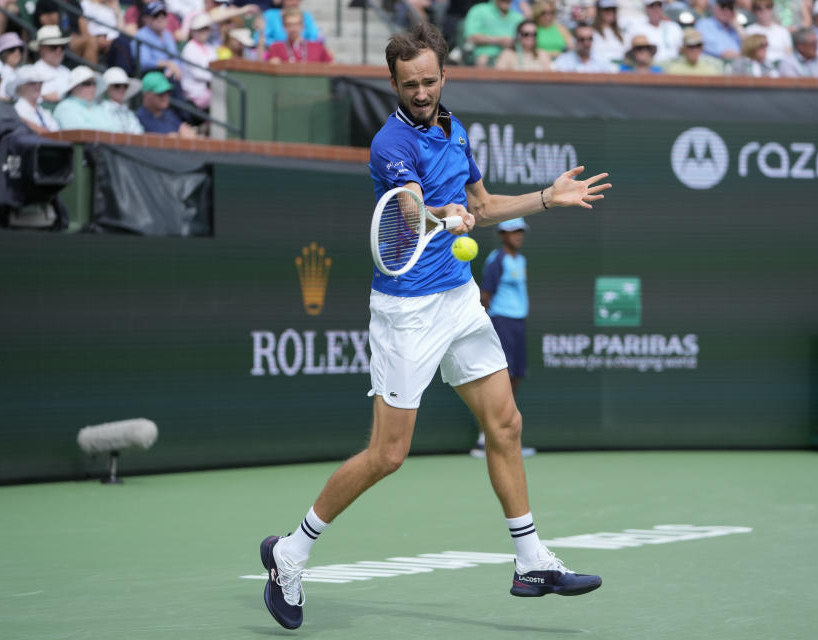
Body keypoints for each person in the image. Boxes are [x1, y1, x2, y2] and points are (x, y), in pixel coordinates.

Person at [259, 22, 611, 632]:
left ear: (444, 77)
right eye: (408, 84)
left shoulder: (456, 129)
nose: (420, 91)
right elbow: (410, 208)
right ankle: (291, 552)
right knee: (388, 454)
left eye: (428, 81)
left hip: (459, 299)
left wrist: (546, 199)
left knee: (505, 421)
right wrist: (442, 214)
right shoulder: (390, 143)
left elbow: (482, 205)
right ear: (393, 83)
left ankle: (530, 561)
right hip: (408, 311)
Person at [470, 218, 537, 459]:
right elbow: (484, 296)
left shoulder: (520, 260)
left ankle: (507, 439)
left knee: (515, 378)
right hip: (501, 323)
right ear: (502, 235)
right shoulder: (496, 261)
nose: (518, 235)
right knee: (500, 381)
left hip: (517, 323)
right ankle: (484, 440)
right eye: (512, 231)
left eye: (520, 231)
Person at [53, 66, 118, 131]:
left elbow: (115, 130)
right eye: (87, 83)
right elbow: (78, 133)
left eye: (94, 83)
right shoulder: (65, 107)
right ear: (74, 87)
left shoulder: (99, 108)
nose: (92, 87)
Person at [136, 70, 197, 137]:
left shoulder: (169, 114)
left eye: (167, 92)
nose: (165, 97)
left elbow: (186, 132)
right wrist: (177, 136)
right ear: (146, 95)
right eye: (160, 93)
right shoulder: (138, 118)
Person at [463, 0, 525, 66]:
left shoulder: (518, 17)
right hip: (485, 56)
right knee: (483, 59)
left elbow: (526, 38)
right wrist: (499, 40)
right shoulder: (479, 11)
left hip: (514, 57)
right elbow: (470, 37)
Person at [132, 1, 183, 82]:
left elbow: (176, 56)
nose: (160, 19)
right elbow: (144, 63)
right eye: (156, 16)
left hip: (169, 73)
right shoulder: (141, 35)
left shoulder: (167, 34)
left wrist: (173, 67)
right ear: (145, 19)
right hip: (150, 75)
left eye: (163, 15)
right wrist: (167, 64)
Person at [265, 8, 333, 62]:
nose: (293, 28)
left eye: (296, 24)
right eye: (289, 25)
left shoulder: (317, 47)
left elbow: (331, 66)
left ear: (302, 26)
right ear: (284, 27)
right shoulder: (276, 48)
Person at [628, 0, 683, 65]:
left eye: (659, 6)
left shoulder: (674, 27)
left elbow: (682, 50)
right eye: (652, 6)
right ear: (646, 8)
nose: (655, 9)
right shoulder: (636, 28)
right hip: (649, 68)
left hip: (674, 67)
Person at [9, 64, 61, 133]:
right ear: (21, 88)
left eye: (40, 83)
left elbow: (56, 133)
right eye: (32, 83)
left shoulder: (42, 111)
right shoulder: (17, 111)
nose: (38, 86)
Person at [180, 13, 217, 108]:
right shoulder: (189, 48)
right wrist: (214, 77)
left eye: (205, 29)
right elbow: (197, 73)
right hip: (193, 93)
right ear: (192, 31)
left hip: (208, 90)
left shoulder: (211, 48)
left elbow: (216, 66)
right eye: (200, 29)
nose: (203, 32)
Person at [30, 25, 73, 103]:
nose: (58, 51)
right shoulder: (34, 73)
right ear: (41, 49)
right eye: (53, 47)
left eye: (62, 47)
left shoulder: (67, 71)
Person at [744, 0, 791, 65]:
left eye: (768, 7)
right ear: (754, 11)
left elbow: (789, 54)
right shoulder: (749, 31)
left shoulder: (782, 31)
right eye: (759, 8)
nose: (764, 11)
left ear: (772, 9)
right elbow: (747, 55)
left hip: (781, 68)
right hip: (759, 68)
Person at [102, 67, 145, 132]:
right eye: (117, 85)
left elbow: (138, 132)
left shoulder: (128, 112)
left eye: (125, 86)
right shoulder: (101, 108)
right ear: (107, 88)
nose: (122, 89)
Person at [591, 0, 627, 66]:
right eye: (607, 9)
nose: (610, 12)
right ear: (599, 11)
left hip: (619, 72)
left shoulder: (621, 33)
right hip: (598, 71)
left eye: (613, 9)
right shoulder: (592, 32)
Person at [0, 32, 26, 100]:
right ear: (3, 53)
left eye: (20, 49)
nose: (17, 53)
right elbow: (0, 96)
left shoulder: (23, 71)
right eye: (12, 49)